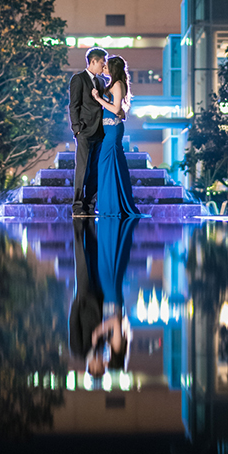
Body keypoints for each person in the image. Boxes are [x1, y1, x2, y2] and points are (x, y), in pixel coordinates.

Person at [68, 216, 139, 383]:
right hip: (99, 295)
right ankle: (90, 225)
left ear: (92, 368)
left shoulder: (78, 351)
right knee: (94, 257)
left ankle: (78, 229)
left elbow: (73, 323)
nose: (103, 362)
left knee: (82, 260)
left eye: (101, 366)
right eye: (105, 365)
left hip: (84, 296)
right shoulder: (101, 346)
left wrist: (78, 300)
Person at [91, 55, 144, 217]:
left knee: (108, 166)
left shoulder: (118, 85)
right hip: (109, 129)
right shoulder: (113, 84)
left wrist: (99, 99)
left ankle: (113, 206)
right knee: (108, 166)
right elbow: (119, 111)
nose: (104, 68)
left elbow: (115, 109)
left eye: (106, 66)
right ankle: (111, 204)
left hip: (113, 131)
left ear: (113, 69)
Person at [68, 47, 108, 217]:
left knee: (95, 170)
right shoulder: (78, 79)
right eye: (102, 63)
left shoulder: (101, 82)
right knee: (82, 169)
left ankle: (90, 205)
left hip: (99, 132)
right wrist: (77, 129)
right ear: (93, 61)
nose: (103, 66)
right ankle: (77, 205)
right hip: (84, 131)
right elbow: (73, 105)